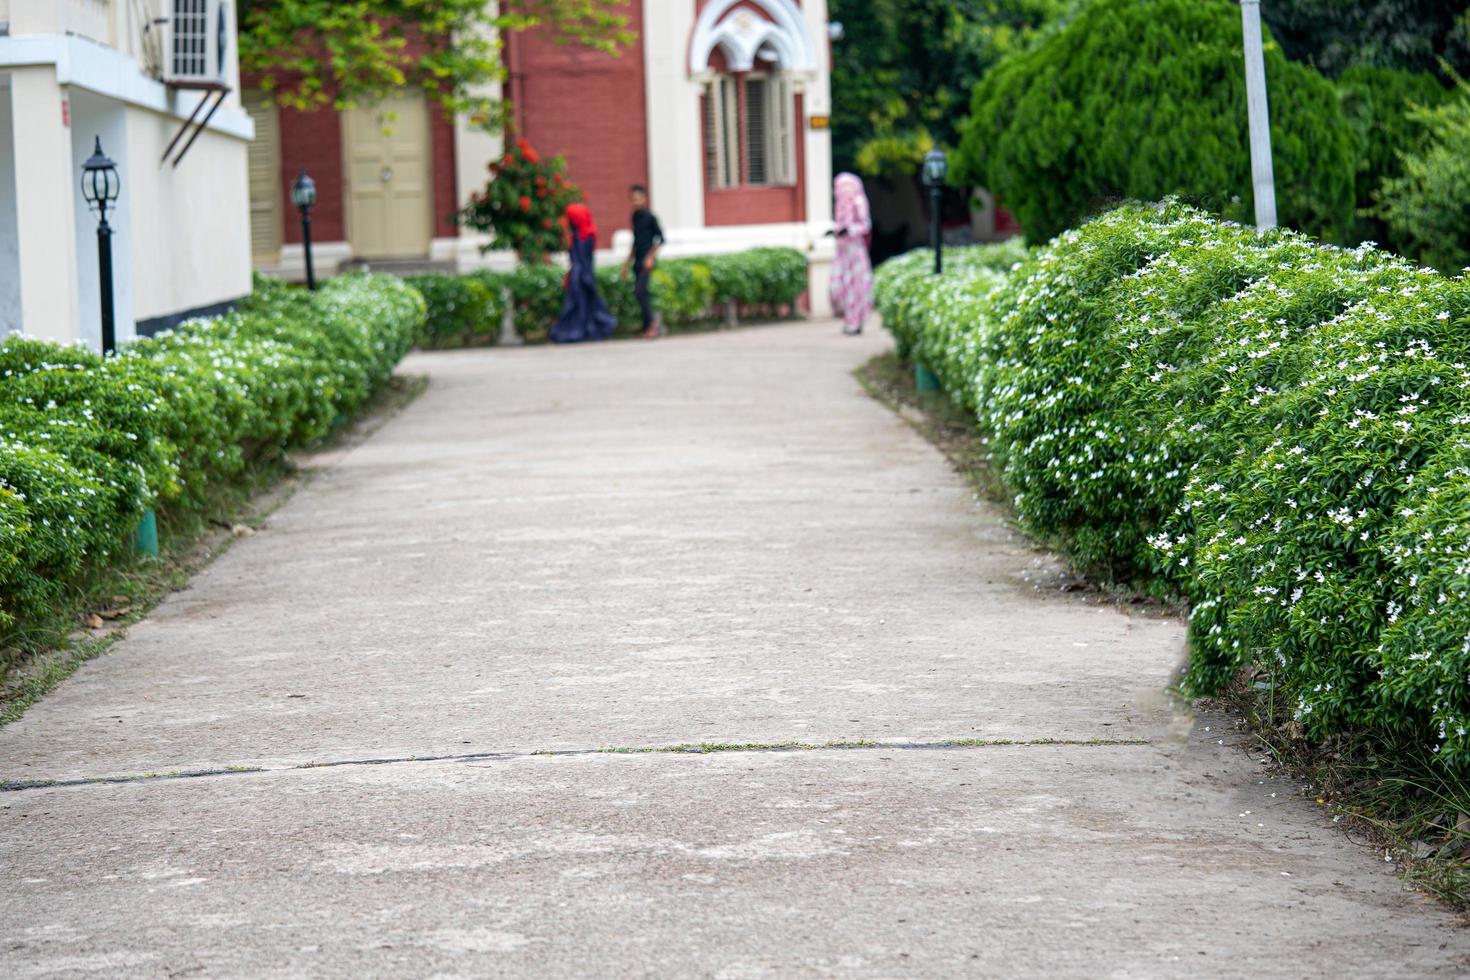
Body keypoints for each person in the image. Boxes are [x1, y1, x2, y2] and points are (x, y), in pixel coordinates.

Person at [550, 202, 617, 344]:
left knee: (580, 306)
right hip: (579, 276)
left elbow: (582, 261)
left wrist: (579, 277)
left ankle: (578, 332)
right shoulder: (580, 234)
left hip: (581, 277)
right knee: (581, 307)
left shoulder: (585, 236)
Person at [829, 172, 874, 336]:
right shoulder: (840, 204)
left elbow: (865, 225)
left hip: (855, 250)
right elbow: (841, 224)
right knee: (840, 286)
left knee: (856, 286)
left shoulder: (859, 201)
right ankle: (848, 319)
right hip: (842, 251)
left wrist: (850, 230)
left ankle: (856, 322)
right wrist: (835, 231)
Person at [621, 184, 665, 339]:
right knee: (640, 293)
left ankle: (653, 325)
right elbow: (635, 241)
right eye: (633, 199)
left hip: (647, 262)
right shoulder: (634, 217)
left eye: (638, 198)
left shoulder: (650, 217)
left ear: (644, 199)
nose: (635, 201)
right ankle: (646, 326)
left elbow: (661, 239)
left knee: (640, 291)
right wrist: (626, 264)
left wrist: (650, 257)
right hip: (637, 261)